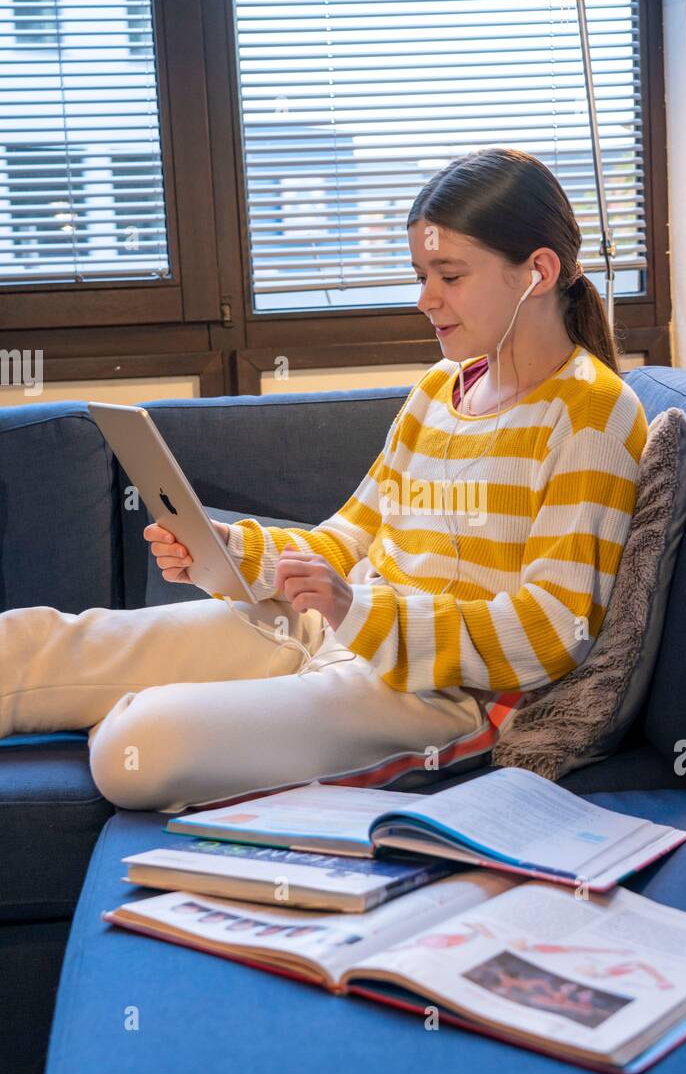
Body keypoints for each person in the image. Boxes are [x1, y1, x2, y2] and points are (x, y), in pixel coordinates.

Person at [0, 146, 647, 814]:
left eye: (449, 276)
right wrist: (231, 552)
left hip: (440, 695)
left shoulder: (591, 414)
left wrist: (359, 612)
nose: (425, 300)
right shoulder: (437, 391)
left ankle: (153, 714)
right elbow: (349, 538)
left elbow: (552, 628)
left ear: (536, 271)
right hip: (330, 631)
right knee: (29, 641)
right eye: (421, 274)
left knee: (137, 749)